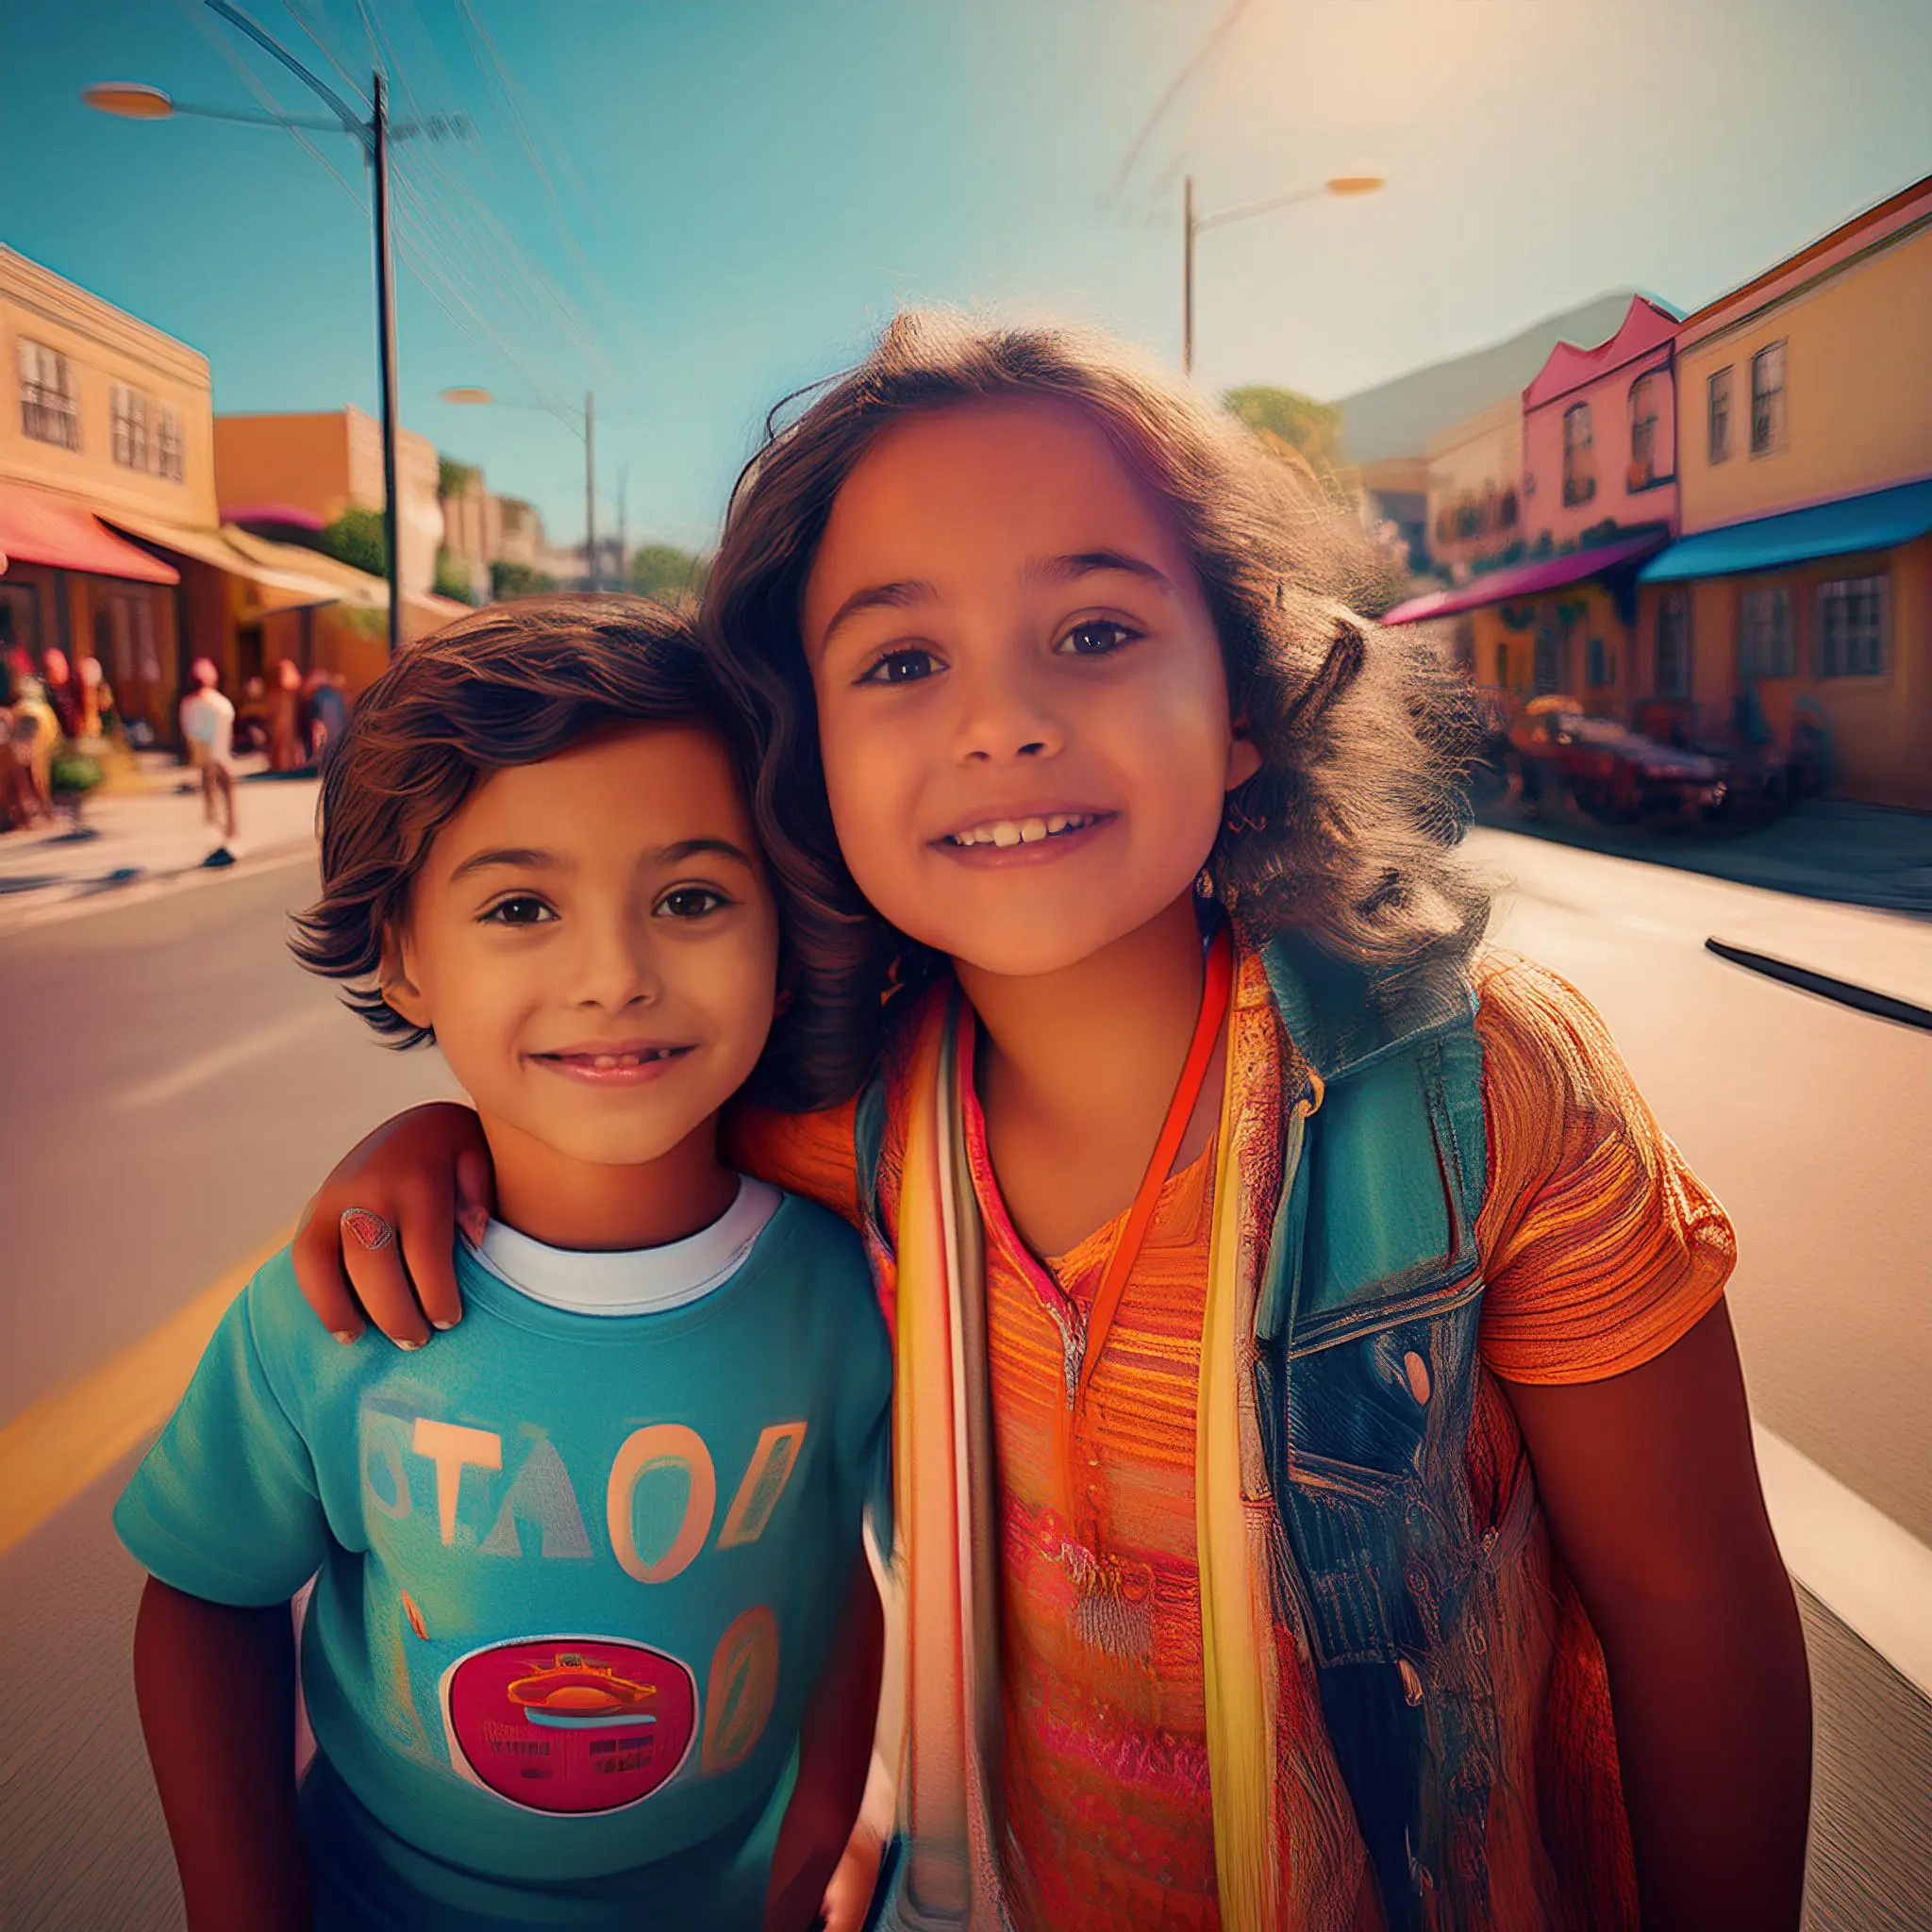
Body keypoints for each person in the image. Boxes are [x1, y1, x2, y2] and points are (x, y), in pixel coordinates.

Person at [280, 318, 1812, 1932]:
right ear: (806, 760)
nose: (998, 719)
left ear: (1241, 699)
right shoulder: (829, 1111)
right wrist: (435, 1138)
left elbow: (1686, 1598)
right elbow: (595, 1109)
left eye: (1091, 630)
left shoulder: (1481, 1092)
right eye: (898, 659)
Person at [115, 597, 891, 1932]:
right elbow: (203, 1593)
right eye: (522, 905)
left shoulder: (850, 1291)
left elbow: (840, 1575)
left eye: (693, 897)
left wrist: (838, 1806)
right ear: (406, 955)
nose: (613, 975)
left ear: (786, 944)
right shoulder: (341, 1298)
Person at [177, 658, 238, 850]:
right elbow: (227, 726)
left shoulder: (188, 705)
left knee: (209, 795)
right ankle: (229, 833)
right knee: (228, 794)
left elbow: (188, 731)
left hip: (203, 757)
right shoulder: (219, 703)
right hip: (220, 755)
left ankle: (216, 830)